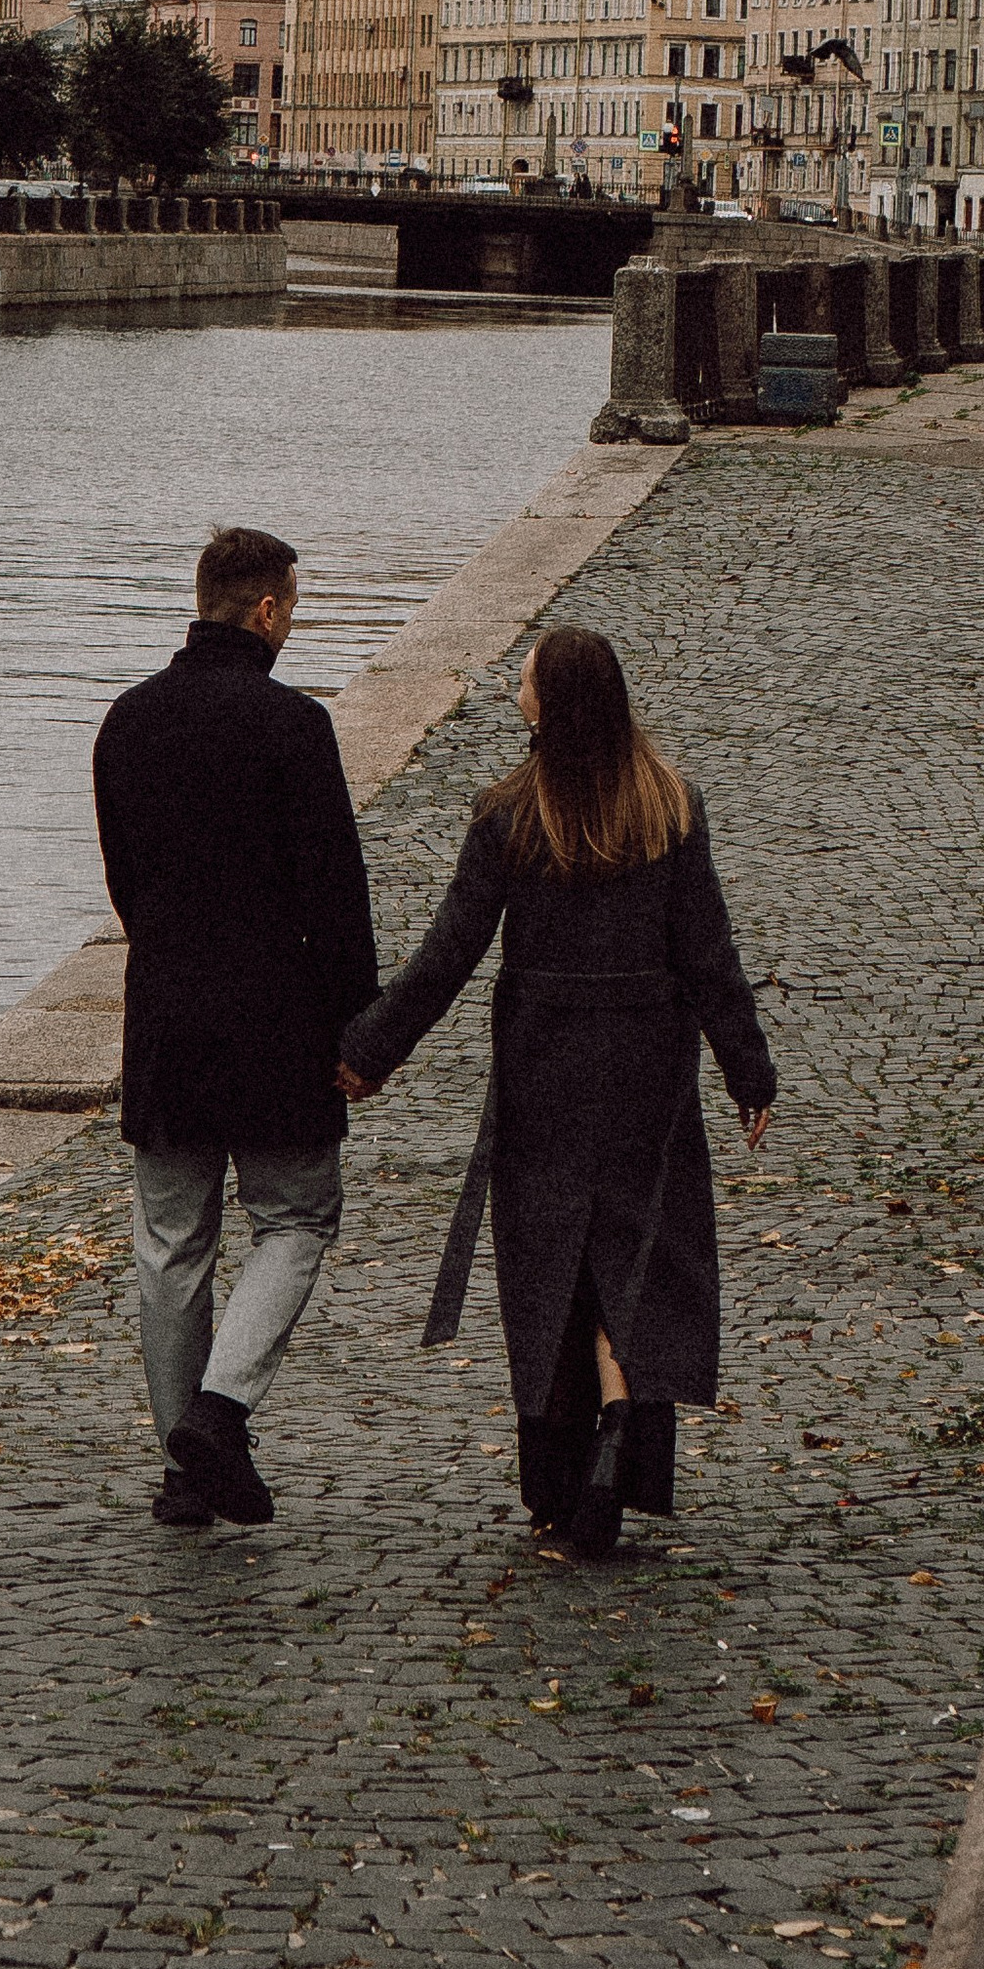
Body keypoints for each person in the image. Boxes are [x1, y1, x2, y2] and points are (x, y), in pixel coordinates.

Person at [335, 627, 774, 1560]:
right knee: (633, 1251)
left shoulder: (509, 816)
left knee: (554, 1270)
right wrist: (749, 1069)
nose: (515, 691)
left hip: (545, 1069)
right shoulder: (670, 808)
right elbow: (710, 957)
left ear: (554, 701)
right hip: (649, 1067)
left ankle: (563, 1481)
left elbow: (447, 956)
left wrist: (371, 1050)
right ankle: (622, 1431)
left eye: (526, 680)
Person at [94, 526, 378, 1531]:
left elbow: (125, 884)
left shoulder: (125, 723)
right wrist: (358, 1031)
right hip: (276, 1021)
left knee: (171, 1242)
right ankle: (218, 1416)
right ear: (264, 610)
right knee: (295, 1219)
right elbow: (335, 897)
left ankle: (184, 1472)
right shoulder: (293, 726)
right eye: (291, 607)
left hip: (165, 1019)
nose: (292, 622)